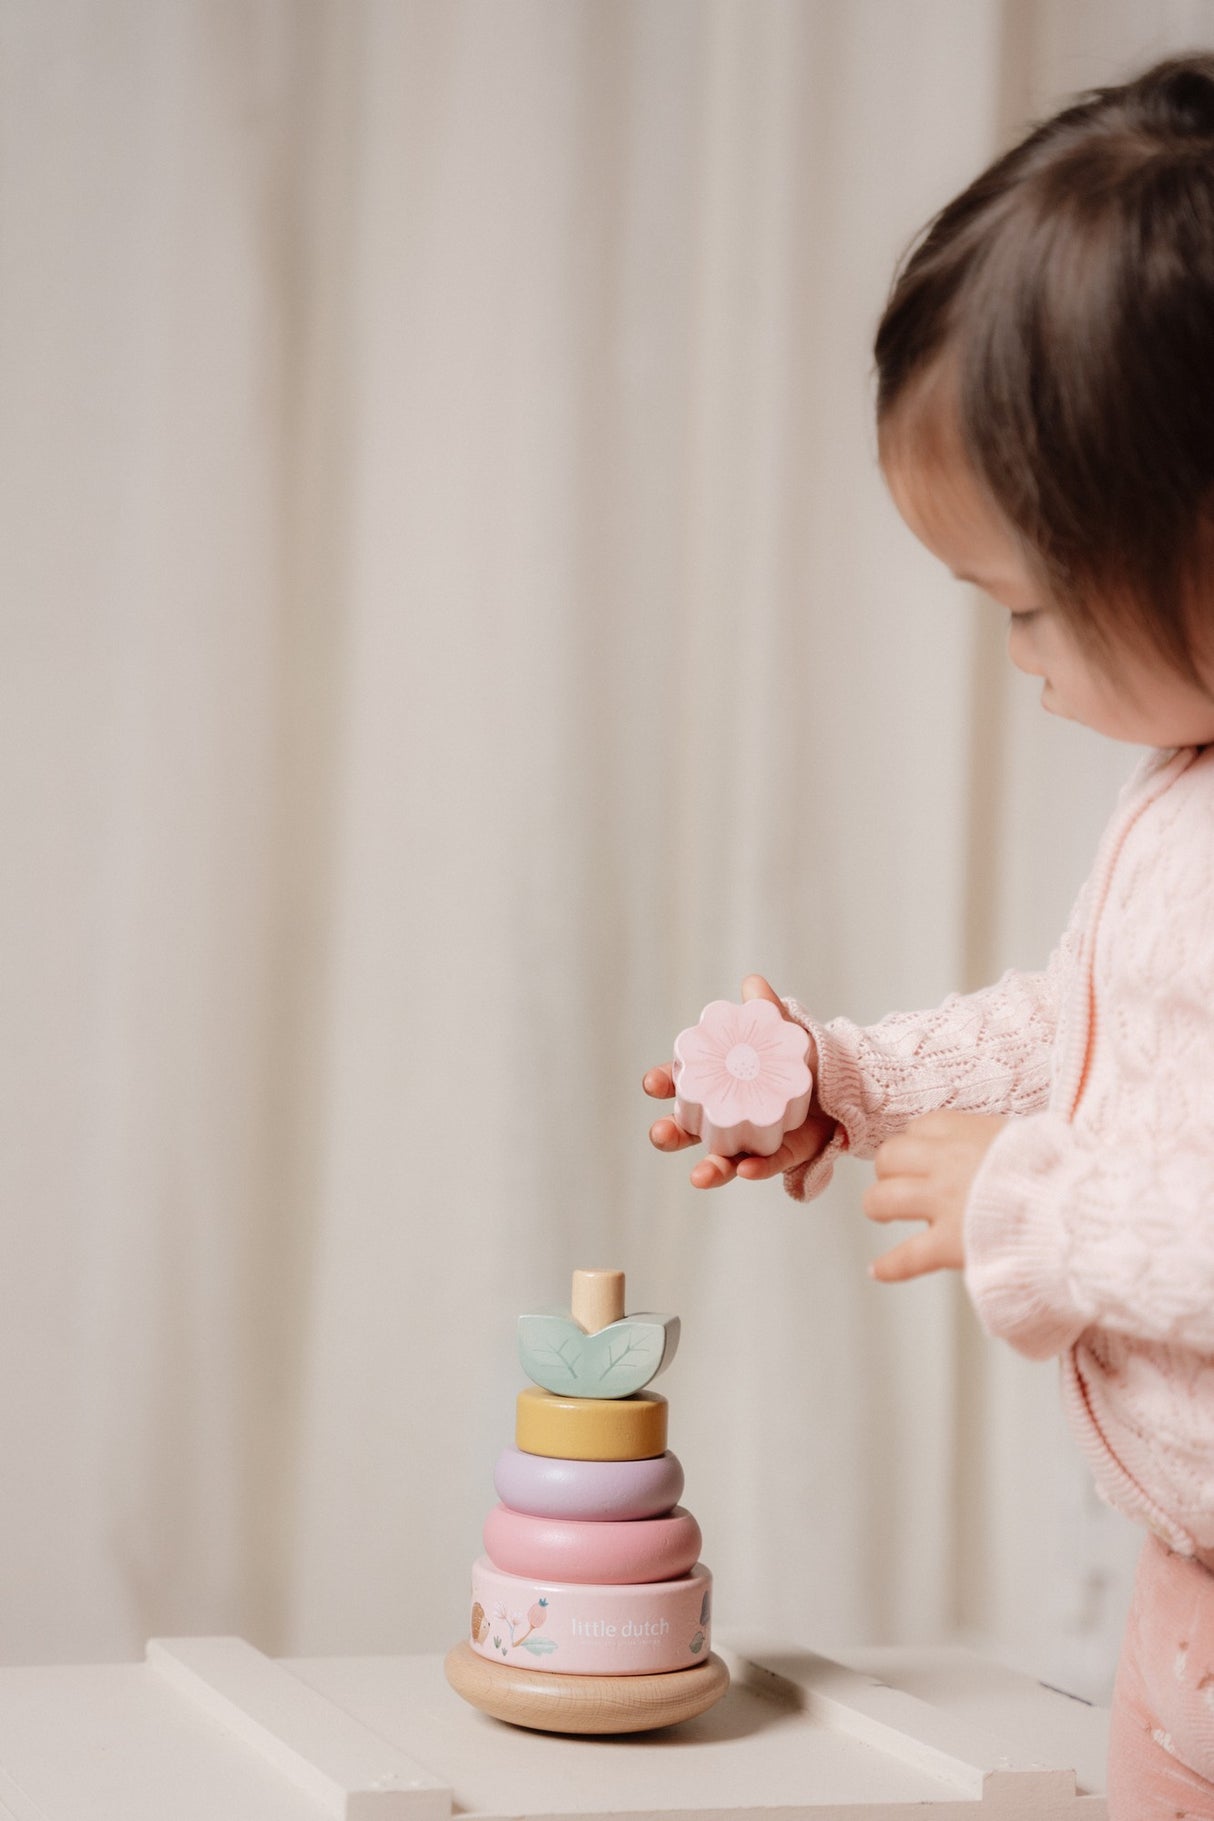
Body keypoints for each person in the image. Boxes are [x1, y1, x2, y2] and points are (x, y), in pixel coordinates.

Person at [645, 54, 1214, 1816]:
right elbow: (1088, 1028)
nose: (1022, 663)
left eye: (1029, 606)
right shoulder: (1183, 791)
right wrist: (861, 1075)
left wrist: (1030, 1204)